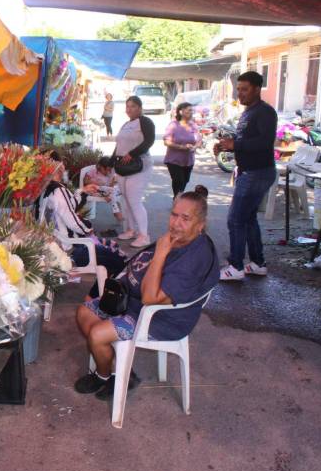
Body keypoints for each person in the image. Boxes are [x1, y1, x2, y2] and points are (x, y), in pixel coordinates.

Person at [73, 186, 219, 399]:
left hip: (160, 318)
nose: (176, 223)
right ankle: (117, 371)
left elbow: (151, 299)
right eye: (174, 215)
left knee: (97, 334)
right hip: (133, 302)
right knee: (84, 313)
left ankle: (103, 374)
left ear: (200, 225)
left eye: (185, 218)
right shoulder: (180, 240)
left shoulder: (193, 259)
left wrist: (160, 253)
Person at [38, 152, 128, 299]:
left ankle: (96, 294)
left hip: (60, 245)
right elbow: (73, 221)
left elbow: (68, 205)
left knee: (110, 250)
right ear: (58, 166)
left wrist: (83, 191)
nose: (64, 167)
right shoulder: (58, 190)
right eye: (62, 163)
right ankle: (97, 298)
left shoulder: (46, 188)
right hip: (71, 251)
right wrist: (89, 230)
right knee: (119, 259)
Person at [218, 71, 277, 281]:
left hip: (257, 173)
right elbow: (246, 139)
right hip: (249, 171)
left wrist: (237, 144)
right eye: (239, 89)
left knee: (235, 219)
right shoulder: (248, 112)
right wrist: (228, 144)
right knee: (248, 219)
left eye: (244, 89)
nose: (240, 93)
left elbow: (265, 142)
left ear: (257, 89)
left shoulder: (265, 112)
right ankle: (257, 263)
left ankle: (235, 266)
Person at [114, 95, 155, 248]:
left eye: (132, 106)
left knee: (134, 200)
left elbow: (149, 141)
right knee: (126, 200)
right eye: (127, 106)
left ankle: (144, 235)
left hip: (139, 165)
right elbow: (118, 145)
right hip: (123, 168)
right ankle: (131, 230)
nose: (129, 109)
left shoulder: (145, 121)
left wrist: (132, 154)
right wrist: (111, 161)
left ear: (140, 108)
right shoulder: (126, 124)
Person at [164, 102, 202, 197]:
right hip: (174, 160)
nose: (191, 112)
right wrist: (182, 147)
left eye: (192, 110)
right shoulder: (173, 125)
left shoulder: (193, 125)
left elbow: (199, 140)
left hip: (188, 160)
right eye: (189, 110)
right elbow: (166, 142)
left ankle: (178, 197)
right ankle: (177, 199)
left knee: (185, 180)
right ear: (181, 111)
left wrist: (195, 147)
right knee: (178, 180)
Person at [83, 157, 124, 223]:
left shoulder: (110, 173)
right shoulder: (93, 171)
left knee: (116, 190)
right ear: (100, 166)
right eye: (106, 170)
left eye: (109, 170)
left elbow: (110, 186)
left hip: (107, 191)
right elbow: (85, 181)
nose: (107, 172)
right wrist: (95, 182)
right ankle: (116, 211)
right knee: (113, 191)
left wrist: (113, 182)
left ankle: (114, 206)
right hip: (96, 191)